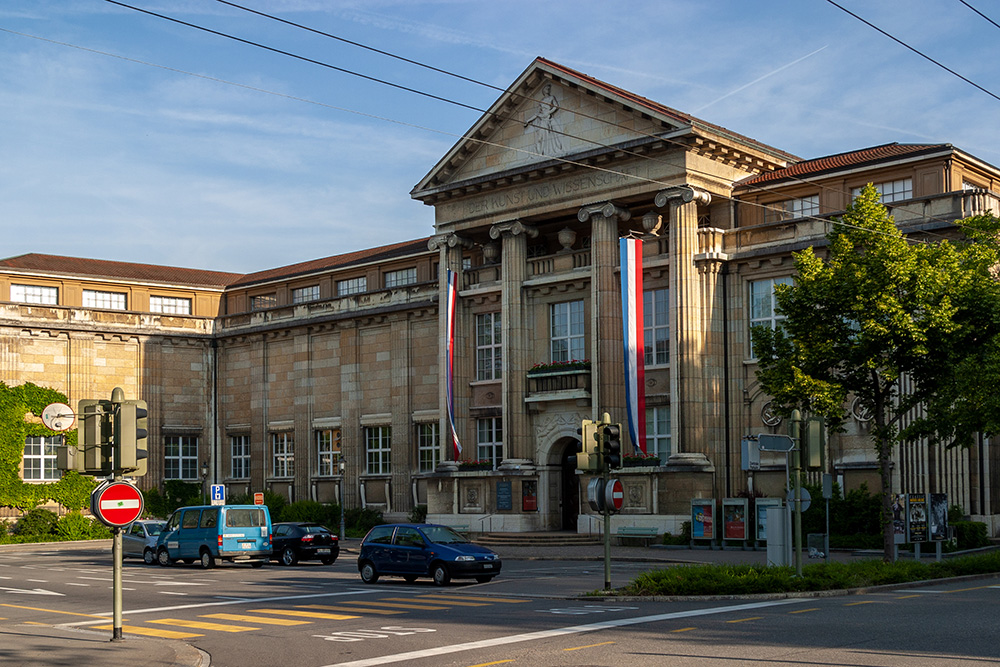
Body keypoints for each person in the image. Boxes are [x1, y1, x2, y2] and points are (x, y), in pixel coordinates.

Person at [523, 83, 564, 156]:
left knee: (550, 136)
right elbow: (536, 114)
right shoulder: (541, 101)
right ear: (543, 91)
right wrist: (528, 121)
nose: (548, 90)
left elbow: (556, 106)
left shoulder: (551, 97)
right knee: (540, 138)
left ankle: (548, 151)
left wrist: (548, 112)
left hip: (548, 119)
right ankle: (539, 152)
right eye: (546, 89)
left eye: (549, 89)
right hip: (542, 120)